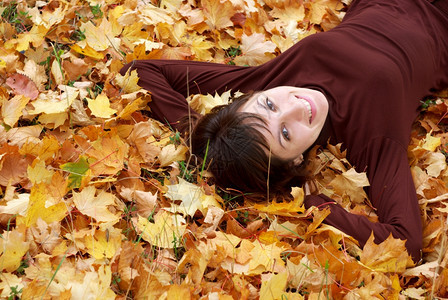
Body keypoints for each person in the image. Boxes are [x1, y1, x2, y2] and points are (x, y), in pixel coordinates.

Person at [121, 0, 448, 262]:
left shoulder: (266, 84)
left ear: (250, 97)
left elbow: (140, 71)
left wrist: (201, 137)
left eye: (269, 107)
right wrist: (312, 204)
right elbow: (405, 243)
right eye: (286, 135)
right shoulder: (372, 137)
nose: (297, 107)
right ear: (293, 163)